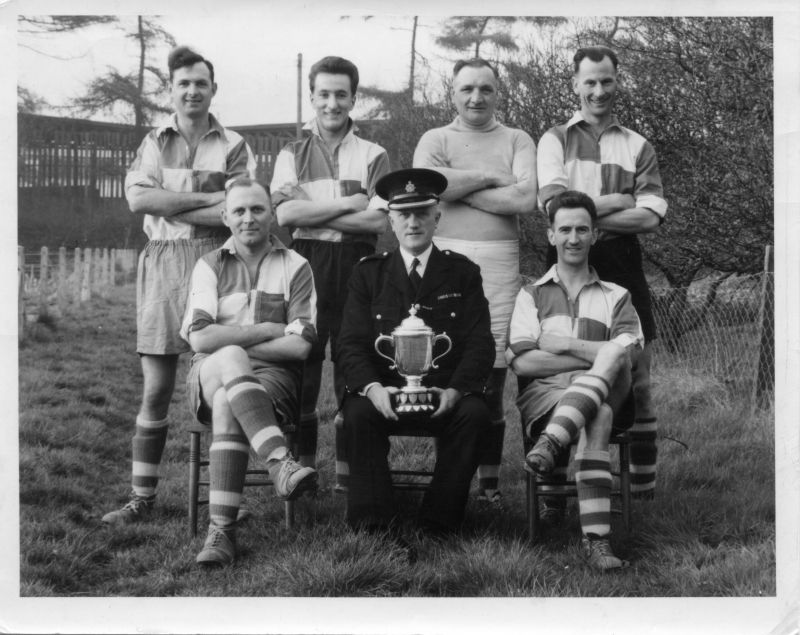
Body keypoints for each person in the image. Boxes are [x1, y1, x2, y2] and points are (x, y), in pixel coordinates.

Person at [103, 46, 256, 526]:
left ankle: (225, 500)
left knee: (220, 386)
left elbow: (237, 210)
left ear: (214, 89)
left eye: (201, 83)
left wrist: (169, 203)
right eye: (183, 83)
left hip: (217, 262)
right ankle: (141, 497)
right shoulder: (153, 141)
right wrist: (207, 198)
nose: (192, 91)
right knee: (156, 388)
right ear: (171, 90)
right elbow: (137, 199)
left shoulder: (233, 145)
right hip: (164, 265)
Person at [336, 168, 495, 554]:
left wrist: (456, 390)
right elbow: (350, 345)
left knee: (475, 415)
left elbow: (480, 343)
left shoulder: (463, 272)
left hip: (441, 392)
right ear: (390, 220)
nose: (413, 222)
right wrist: (373, 390)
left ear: (437, 216)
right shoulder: (368, 274)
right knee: (357, 415)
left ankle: (438, 522)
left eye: (422, 213)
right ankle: (375, 526)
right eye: (403, 214)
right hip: (384, 391)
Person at [537, 46, 667, 501]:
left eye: (606, 81)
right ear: (574, 84)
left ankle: (643, 494)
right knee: (556, 370)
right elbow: (553, 207)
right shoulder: (554, 138)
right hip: (567, 262)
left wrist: (583, 213)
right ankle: (552, 494)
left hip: (621, 262)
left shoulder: (637, 144)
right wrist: (619, 201)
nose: (598, 90)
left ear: (617, 82)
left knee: (640, 374)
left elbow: (650, 216)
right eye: (589, 81)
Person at [413, 58, 538, 503]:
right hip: (444, 259)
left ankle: (487, 483)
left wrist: (458, 186)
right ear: (452, 93)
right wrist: (487, 177)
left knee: (492, 373)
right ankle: (450, 480)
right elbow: (426, 189)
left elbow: (525, 198)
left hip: (500, 264)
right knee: (441, 365)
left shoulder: (518, 138)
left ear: (497, 93)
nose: (476, 97)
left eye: (486, 89)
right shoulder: (436, 138)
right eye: (467, 89)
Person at [180, 177, 318, 566]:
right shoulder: (208, 266)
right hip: (207, 372)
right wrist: (265, 331)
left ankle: (220, 532)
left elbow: (301, 345)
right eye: (239, 210)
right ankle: (279, 462)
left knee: (228, 395)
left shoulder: (297, 266)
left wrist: (230, 339)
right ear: (225, 217)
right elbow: (200, 340)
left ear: (272, 215)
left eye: (257, 209)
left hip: (275, 380)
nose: (248, 218)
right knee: (227, 361)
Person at [506, 190, 643, 571]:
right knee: (596, 411)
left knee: (617, 352)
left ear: (595, 235)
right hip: (545, 397)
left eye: (583, 229)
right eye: (564, 229)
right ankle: (597, 541)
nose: (573, 238)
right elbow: (523, 364)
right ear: (551, 235)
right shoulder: (530, 295)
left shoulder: (617, 295)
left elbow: (628, 356)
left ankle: (553, 442)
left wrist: (565, 344)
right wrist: (595, 352)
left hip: (613, 393)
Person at [270, 56, 390, 471]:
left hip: (358, 263)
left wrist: (312, 208)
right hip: (306, 262)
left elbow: (377, 219)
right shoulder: (291, 152)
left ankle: (345, 473)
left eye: (341, 94)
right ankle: (302, 468)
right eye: (324, 94)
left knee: (352, 365)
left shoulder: (375, 154)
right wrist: (344, 205)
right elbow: (285, 217)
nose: (332, 103)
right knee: (303, 366)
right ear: (311, 97)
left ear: (353, 98)